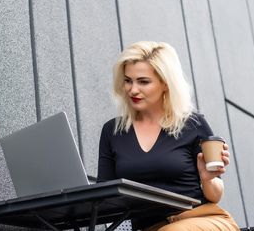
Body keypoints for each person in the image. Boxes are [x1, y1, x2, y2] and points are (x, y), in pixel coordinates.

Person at [97, 41, 239, 231]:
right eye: (128, 80)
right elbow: (104, 196)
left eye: (143, 81)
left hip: (202, 218)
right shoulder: (112, 131)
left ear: (165, 83)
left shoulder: (192, 124)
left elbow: (215, 195)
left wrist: (207, 178)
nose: (133, 90)